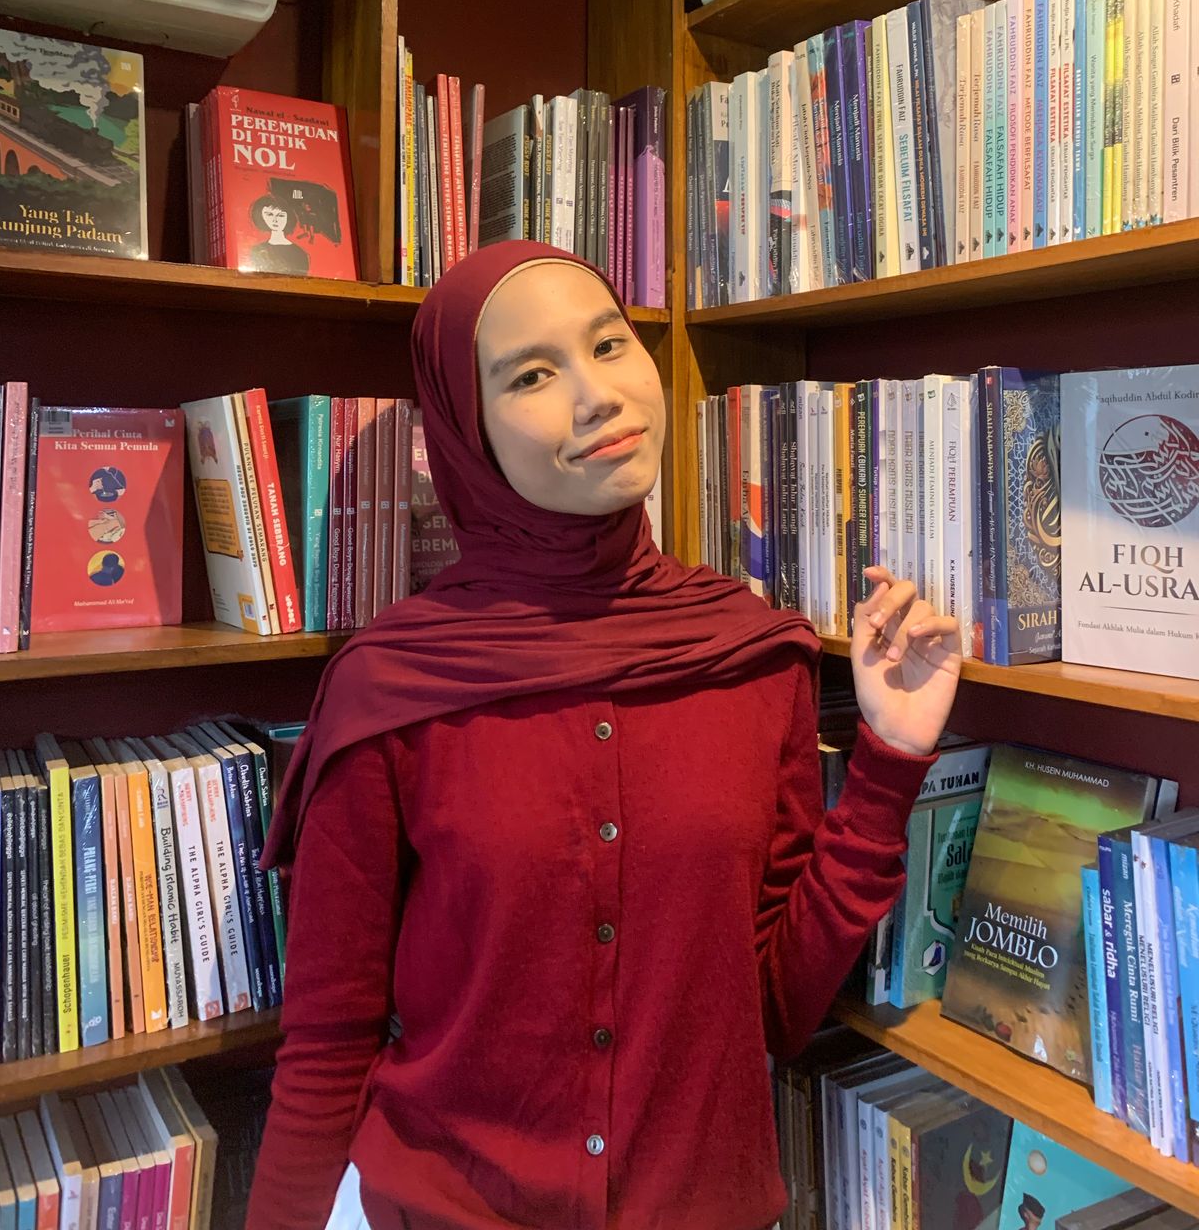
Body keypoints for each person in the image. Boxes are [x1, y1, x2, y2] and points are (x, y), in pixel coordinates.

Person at [246, 242, 963, 1230]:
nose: (598, 396)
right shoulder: (393, 688)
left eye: (609, 344)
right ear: (464, 427)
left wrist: (888, 762)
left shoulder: (750, 654)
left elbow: (772, 1009)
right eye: (531, 375)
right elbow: (328, 1046)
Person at [247, 196, 311, 275]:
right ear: (262, 217)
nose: (275, 220)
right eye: (270, 214)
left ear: (288, 218)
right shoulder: (257, 250)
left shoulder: (299, 253)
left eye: (280, 215)